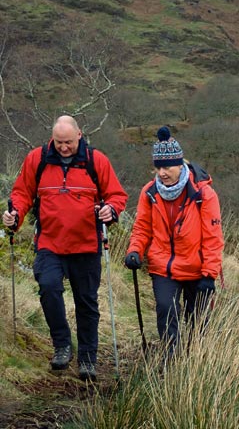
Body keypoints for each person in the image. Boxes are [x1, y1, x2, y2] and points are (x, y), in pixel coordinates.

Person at [2, 115, 128, 381]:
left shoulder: (97, 161)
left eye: (68, 142)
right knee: (48, 288)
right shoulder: (38, 159)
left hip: (86, 244)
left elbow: (117, 195)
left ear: (79, 135)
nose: (63, 147)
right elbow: (22, 193)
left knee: (86, 302)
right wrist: (14, 215)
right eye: (59, 142)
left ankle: (87, 358)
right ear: (53, 138)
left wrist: (111, 210)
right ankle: (62, 345)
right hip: (50, 242)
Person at [125, 127, 224, 354]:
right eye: (158, 167)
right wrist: (135, 251)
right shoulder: (149, 193)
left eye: (167, 167)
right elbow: (142, 227)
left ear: (180, 165)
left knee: (198, 321)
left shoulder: (204, 194)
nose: (162, 172)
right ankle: (171, 362)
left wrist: (210, 274)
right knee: (165, 310)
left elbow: (213, 238)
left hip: (197, 269)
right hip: (163, 267)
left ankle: (197, 364)